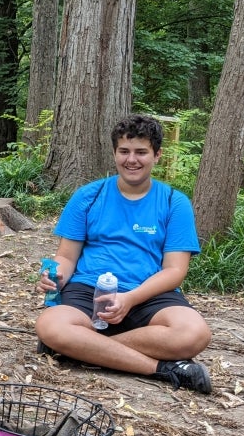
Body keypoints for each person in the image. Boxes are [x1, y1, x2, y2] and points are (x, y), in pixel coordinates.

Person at [35, 114, 212, 393]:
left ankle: (80, 348)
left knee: (194, 333)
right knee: (51, 326)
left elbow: (175, 271)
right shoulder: (88, 196)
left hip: (147, 292)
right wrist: (52, 275)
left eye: (141, 152)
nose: (132, 160)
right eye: (124, 151)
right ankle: (163, 369)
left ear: (157, 155)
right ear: (115, 153)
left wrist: (129, 299)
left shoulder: (173, 202)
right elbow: (66, 257)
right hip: (89, 289)